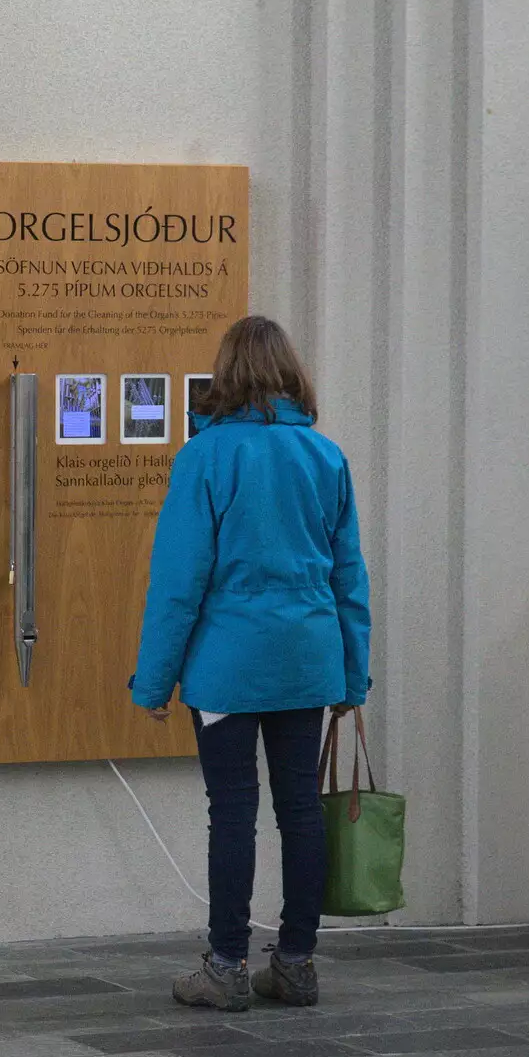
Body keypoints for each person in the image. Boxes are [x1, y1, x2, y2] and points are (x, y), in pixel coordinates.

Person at [130, 316, 370, 1011]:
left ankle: (226, 966)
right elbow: (348, 576)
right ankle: (295, 962)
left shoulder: (203, 457)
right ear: (291, 373)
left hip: (227, 665)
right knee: (299, 809)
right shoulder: (323, 456)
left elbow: (179, 580)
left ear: (225, 374)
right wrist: (352, 675)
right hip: (306, 658)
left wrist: (154, 681)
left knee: (231, 811)